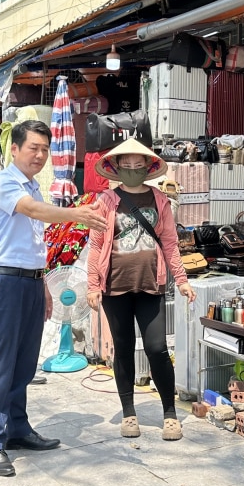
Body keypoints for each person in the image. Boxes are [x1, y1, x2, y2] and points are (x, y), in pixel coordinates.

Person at [0, 119, 107, 477]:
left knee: (25, 362)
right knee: (1, 363)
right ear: (14, 149)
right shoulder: (5, 183)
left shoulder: (34, 186)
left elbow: (35, 242)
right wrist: (75, 214)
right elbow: (34, 213)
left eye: (44, 150)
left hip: (31, 282)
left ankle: (17, 429)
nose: (39, 155)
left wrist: (43, 287)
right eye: (32, 148)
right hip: (5, 283)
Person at [86, 139, 196, 441]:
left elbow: (171, 243)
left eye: (138, 165)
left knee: (157, 348)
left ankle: (170, 414)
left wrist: (182, 279)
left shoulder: (160, 200)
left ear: (148, 168)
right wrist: (93, 285)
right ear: (117, 168)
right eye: (127, 165)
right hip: (115, 286)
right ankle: (128, 413)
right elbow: (96, 244)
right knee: (122, 349)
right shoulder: (106, 201)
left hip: (151, 284)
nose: (133, 170)